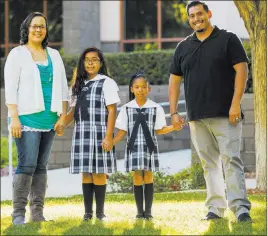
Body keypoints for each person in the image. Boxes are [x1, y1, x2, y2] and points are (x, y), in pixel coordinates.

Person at [168, 1, 252, 222]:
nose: (197, 19)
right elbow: (174, 81)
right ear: (189, 20)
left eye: (200, 14)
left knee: (231, 159)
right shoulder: (183, 47)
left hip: (226, 113)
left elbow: (242, 70)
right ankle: (215, 208)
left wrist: (236, 103)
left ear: (208, 14)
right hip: (196, 116)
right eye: (192, 16)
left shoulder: (228, 39)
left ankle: (240, 207)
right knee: (209, 164)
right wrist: (174, 112)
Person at [4, 12, 69, 225]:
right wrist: (14, 118)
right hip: (25, 119)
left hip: (50, 120)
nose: (38, 30)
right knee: (27, 164)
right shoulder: (17, 54)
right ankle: (18, 214)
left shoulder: (54, 55)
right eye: (34, 26)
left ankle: (38, 213)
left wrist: (62, 117)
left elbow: (63, 88)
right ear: (27, 28)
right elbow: (11, 89)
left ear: (46, 30)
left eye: (42, 26)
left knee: (41, 166)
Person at [113, 71, 182, 220]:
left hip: (149, 147)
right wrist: (110, 143)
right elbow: (122, 131)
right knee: (137, 176)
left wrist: (173, 127)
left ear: (148, 88)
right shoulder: (126, 108)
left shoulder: (156, 107)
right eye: (137, 87)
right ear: (132, 89)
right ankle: (139, 212)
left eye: (143, 87)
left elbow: (159, 129)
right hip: (133, 147)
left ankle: (148, 212)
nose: (140, 90)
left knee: (148, 176)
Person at [64, 47, 120, 221]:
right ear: (82, 63)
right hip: (81, 133)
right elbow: (73, 112)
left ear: (100, 63)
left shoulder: (106, 82)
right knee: (86, 172)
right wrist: (60, 124)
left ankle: (100, 213)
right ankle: (88, 213)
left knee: (99, 172)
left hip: (99, 132)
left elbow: (112, 110)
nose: (90, 62)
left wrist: (109, 136)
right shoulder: (77, 85)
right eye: (87, 59)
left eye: (94, 59)